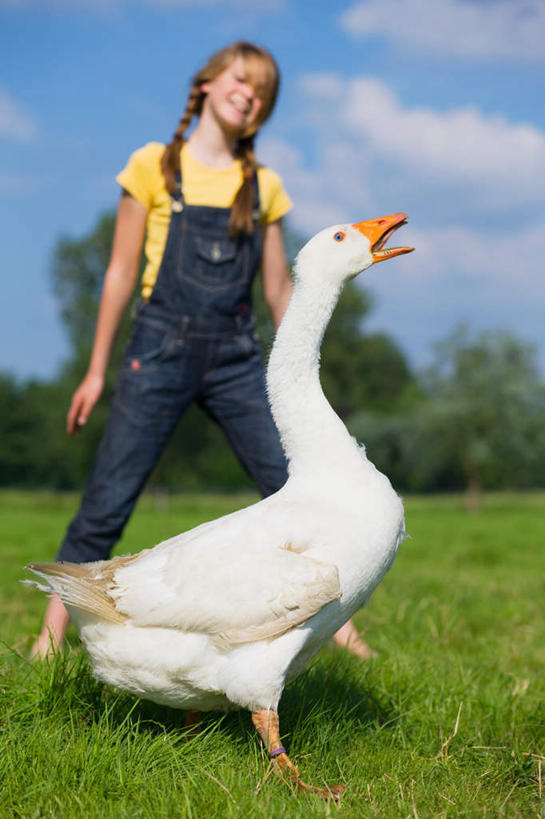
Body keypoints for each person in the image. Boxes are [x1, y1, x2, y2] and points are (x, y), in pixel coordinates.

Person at [32, 41, 373, 661]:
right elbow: (118, 270)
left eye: (264, 91)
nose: (252, 95)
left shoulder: (262, 184)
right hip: (156, 353)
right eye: (243, 81)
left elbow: (277, 287)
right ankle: (47, 644)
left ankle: (344, 635)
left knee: (298, 486)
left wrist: (302, 368)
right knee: (106, 503)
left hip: (235, 360)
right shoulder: (152, 166)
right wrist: (94, 370)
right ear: (208, 85)